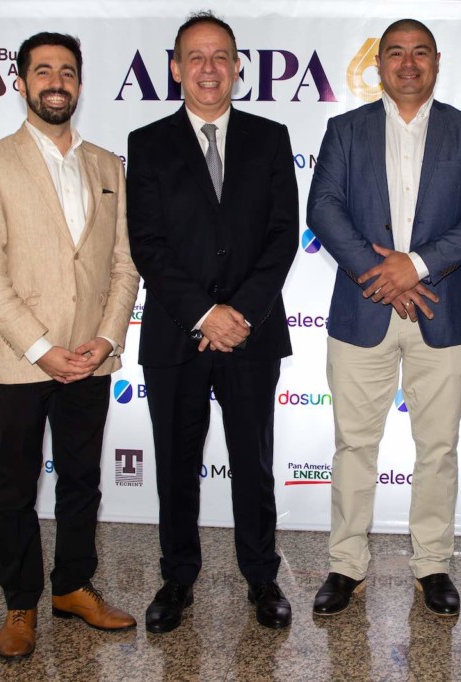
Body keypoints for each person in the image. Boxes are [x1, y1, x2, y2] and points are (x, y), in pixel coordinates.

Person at [307, 18, 461, 618]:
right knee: (353, 445)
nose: (408, 63)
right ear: (380, 64)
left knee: (438, 447)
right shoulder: (345, 129)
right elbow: (323, 208)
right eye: (396, 53)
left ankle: (433, 563)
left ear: (437, 61)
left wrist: (414, 266)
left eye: (420, 53)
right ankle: (345, 564)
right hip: (363, 308)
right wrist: (383, 275)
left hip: (439, 308)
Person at [0, 32, 140, 659]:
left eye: (67, 71)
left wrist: (106, 338)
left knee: (82, 480)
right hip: (19, 358)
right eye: (43, 71)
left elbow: (125, 267)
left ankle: (72, 586)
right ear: (22, 82)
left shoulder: (108, 165)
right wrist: (41, 349)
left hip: (91, 357)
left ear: (81, 84)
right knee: (15, 482)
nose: (55, 81)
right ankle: (19, 602)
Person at [126, 11, 298, 632]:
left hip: (252, 336)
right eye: (195, 57)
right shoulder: (146, 144)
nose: (208, 68)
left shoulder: (271, 138)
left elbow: (282, 238)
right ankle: (177, 578)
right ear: (175, 68)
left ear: (236, 68)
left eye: (220, 56)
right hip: (177, 334)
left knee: (253, 462)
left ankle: (261, 575)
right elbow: (147, 243)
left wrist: (240, 312)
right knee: (176, 462)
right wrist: (205, 313)